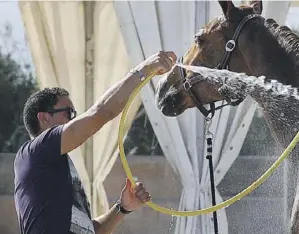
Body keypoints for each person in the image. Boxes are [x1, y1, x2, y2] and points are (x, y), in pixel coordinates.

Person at [13, 51, 177, 234]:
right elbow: (101, 112)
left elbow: (92, 231)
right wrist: (144, 69)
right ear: (43, 117)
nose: (73, 119)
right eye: (68, 112)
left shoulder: (55, 166)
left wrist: (122, 207)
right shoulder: (36, 151)